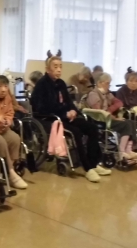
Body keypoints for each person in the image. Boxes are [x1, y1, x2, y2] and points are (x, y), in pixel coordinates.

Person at [30, 52, 111, 183]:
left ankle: (94, 163)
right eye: (55, 66)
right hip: (49, 119)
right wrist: (64, 113)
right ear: (47, 69)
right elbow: (42, 108)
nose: (59, 69)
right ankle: (88, 168)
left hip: (64, 116)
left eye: (60, 66)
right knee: (75, 132)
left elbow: (68, 101)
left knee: (92, 128)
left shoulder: (61, 83)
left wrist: (73, 110)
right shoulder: (41, 85)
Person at [84, 73, 137, 161]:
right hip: (100, 120)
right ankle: (122, 152)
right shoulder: (93, 95)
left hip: (108, 117)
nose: (108, 86)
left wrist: (109, 110)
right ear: (99, 83)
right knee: (126, 124)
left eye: (109, 83)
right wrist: (114, 117)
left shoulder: (107, 94)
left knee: (131, 123)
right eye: (107, 83)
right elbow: (99, 113)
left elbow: (119, 103)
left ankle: (128, 150)